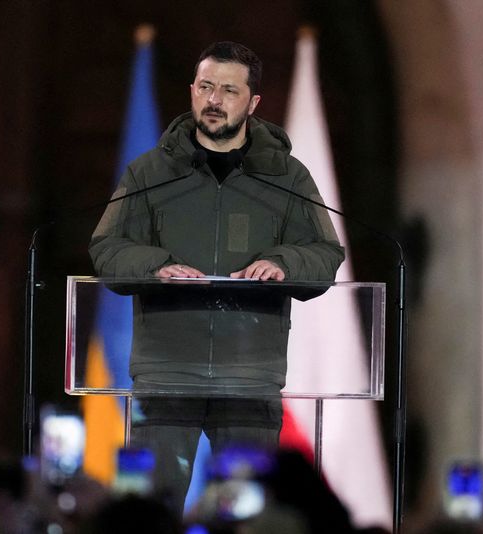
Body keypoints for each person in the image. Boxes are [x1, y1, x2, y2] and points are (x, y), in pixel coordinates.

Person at [88, 41, 344, 510]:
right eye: (205, 87)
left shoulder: (286, 177)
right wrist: (154, 266)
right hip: (167, 376)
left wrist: (285, 261)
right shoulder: (150, 173)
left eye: (229, 90)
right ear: (191, 91)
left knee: (246, 513)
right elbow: (106, 248)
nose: (214, 100)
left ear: (253, 103)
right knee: (148, 514)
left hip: (249, 378)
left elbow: (325, 252)